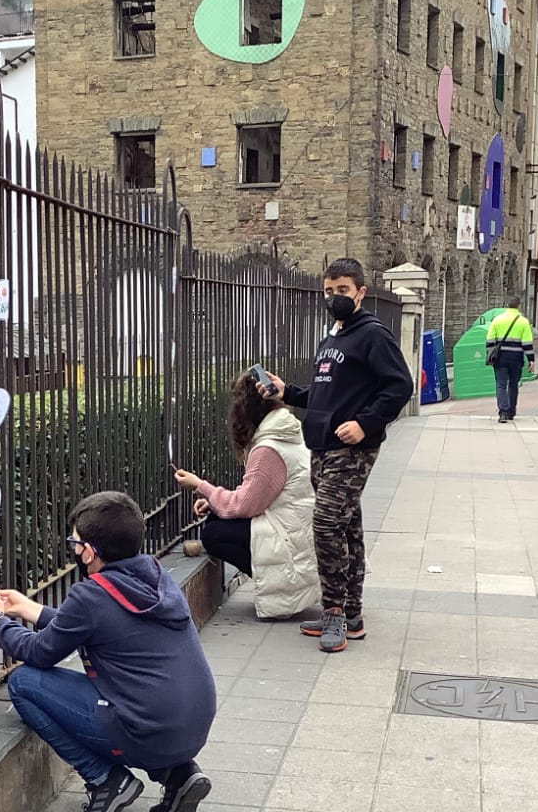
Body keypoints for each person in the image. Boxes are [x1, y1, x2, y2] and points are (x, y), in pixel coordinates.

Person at [0, 491, 216, 812]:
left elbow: (41, 653)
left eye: (75, 542)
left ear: (89, 551)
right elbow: (94, 624)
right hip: (193, 724)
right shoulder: (155, 576)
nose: (74, 549)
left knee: (24, 683)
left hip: (148, 729)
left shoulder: (92, 595)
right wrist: (30, 610)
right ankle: (178, 775)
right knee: (143, 701)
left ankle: (106, 780)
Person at [257, 258, 414, 653]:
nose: (334, 298)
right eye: (328, 291)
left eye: (342, 290)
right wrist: (286, 392)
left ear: (360, 292)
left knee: (326, 524)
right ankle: (352, 614)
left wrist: (365, 423)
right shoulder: (332, 339)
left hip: (352, 448)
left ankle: (333, 612)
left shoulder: (373, 335)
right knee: (347, 528)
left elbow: (399, 386)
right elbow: (324, 394)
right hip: (323, 447)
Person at [172, 372, 319, 620]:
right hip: (298, 530)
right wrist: (214, 502)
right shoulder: (286, 431)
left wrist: (201, 486)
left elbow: (245, 506)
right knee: (218, 521)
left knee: (213, 534)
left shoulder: (268, 447)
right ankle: (276, 579)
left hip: (289, 539)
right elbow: (257, 494)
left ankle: (280, 582)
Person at [481, 298, 536, 423]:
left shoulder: (497, 320)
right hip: (516, 358)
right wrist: (531, 360)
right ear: (519, 306)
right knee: (513, 384)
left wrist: (490, 354)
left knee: (501, 385)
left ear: (507, 305)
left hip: (500, 358)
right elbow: (527, 343)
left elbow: (489, 340)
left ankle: (503, 413)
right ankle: (511, 411)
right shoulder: (523, 322)